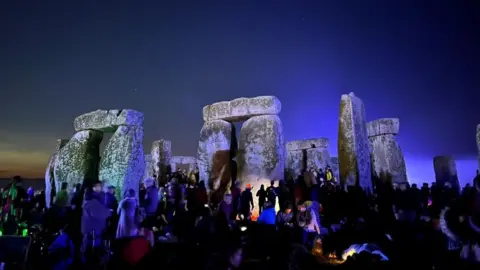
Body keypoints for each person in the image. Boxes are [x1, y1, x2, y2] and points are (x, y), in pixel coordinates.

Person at [81, 181, 112, 253]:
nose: (102, 188)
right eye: (100, 186)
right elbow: (98, 214)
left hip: (91, 229)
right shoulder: (93, 202)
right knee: (91, 248)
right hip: (93, 230)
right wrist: (108, 212)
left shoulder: (90, 200)